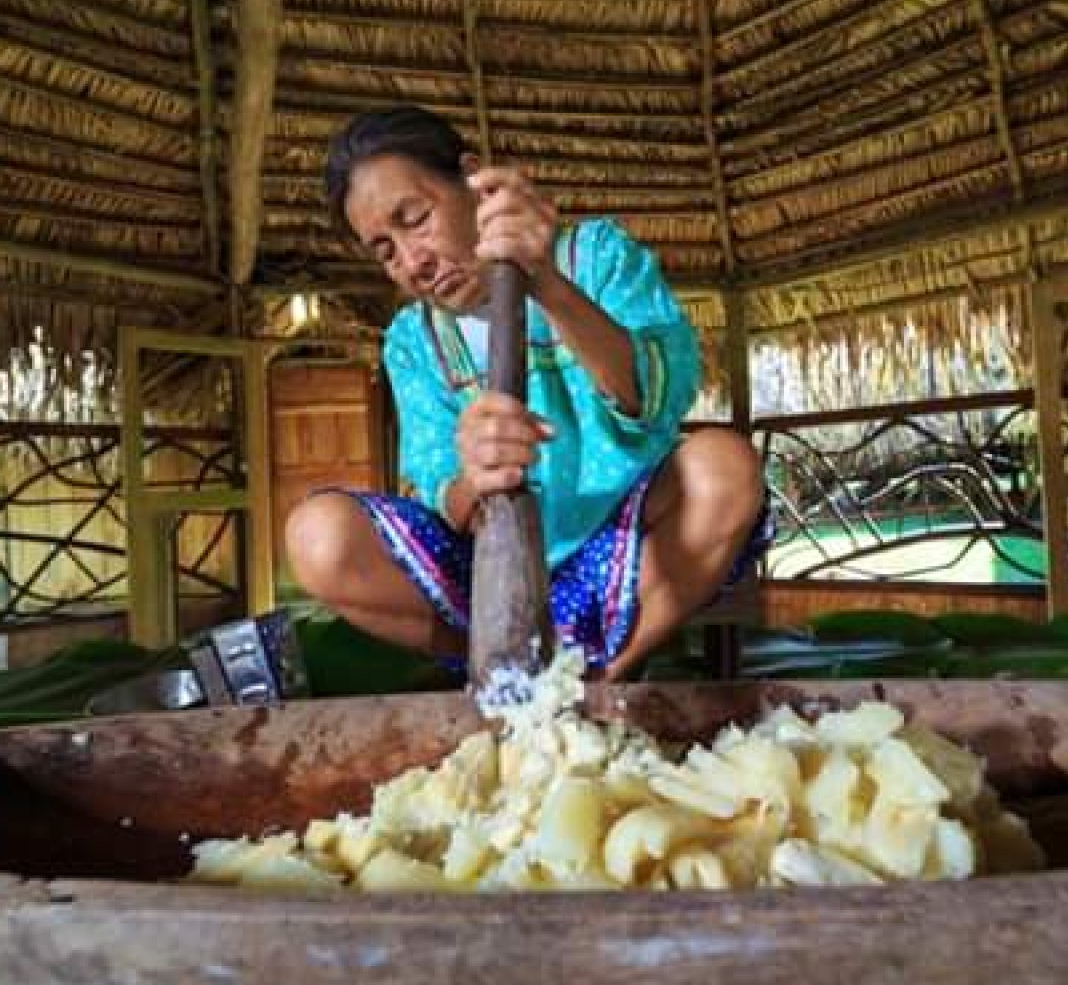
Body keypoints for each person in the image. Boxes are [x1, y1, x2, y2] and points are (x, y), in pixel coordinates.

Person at [285, 107, 768, 680]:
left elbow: (662, 396)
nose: (413, 260)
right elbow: (441, 486)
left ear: (474, 183)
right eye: (385, 250)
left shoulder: (595, 256)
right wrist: (474, 477)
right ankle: (496, 672)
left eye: (414, 218)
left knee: (725, 467)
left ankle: (597, 682)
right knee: (317, 535)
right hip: (487, 571)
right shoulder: (413, 341)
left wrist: (547, 285)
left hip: (630, 544)